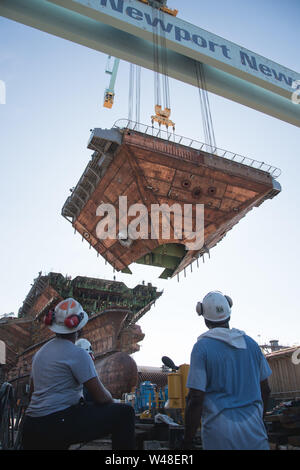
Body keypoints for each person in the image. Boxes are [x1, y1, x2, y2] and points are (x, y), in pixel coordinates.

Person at [22, 298, 135, 450]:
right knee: (125, 414)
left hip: (31, 426)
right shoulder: (78, 354)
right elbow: (102, 398)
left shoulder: (39, 354)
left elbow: (32, 394)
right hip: (57, 424)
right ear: (79, 327)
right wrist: (115, 401)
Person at [183, 291, 271, 450]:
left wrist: (187, 440)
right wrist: (258, 419)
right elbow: (266, 389)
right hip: (256, 435)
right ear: (229, 312)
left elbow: (196, 397)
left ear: (203, 316)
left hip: (220, 437)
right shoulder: (251, 344)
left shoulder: (201, 349)